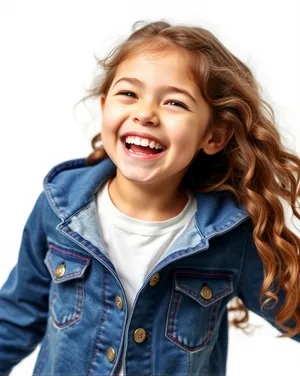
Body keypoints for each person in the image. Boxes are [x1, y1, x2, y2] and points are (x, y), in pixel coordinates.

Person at [0, 19, 299, 376]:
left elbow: (291, 312)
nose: (145, 113)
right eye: (128, 93)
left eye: (175, 102)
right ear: (104, 105)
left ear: (214, 136)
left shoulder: (229, 235)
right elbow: (16, 317)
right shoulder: (58, 207)